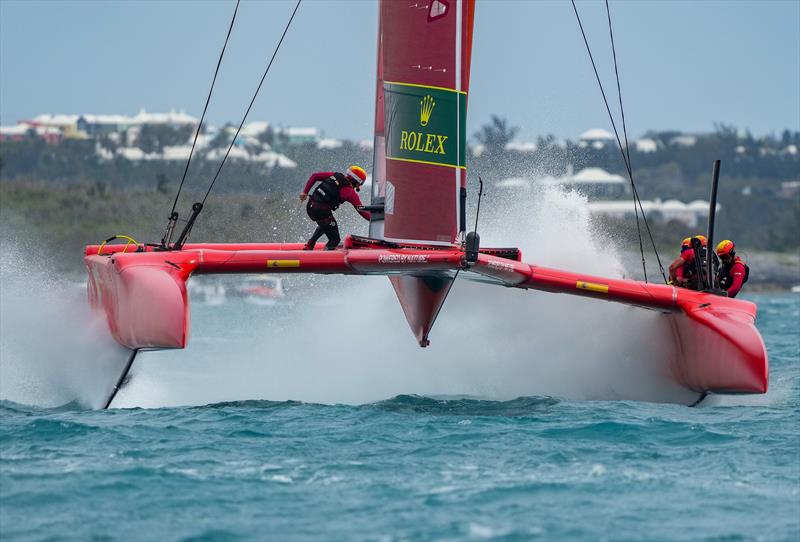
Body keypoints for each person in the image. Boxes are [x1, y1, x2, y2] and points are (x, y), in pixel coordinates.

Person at [299, 165, 371, 250]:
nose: (358, 187)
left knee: (326, 223)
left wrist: (305, 192)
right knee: (335, 240)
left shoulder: (335, 175)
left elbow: (315, 176)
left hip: (310, 206)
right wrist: (376, 219)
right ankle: (322, 259)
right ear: (356, 181)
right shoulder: (350, 192)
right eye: (360, 184)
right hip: (321, 212)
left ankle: (309, 245)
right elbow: (362, 211)